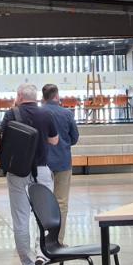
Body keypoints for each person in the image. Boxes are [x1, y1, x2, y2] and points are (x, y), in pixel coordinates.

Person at [0, 83, 60, 265]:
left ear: (19, 96)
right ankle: (42, 255)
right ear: (36, 97)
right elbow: (54, 140)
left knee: (21, 218)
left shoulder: (11, 114)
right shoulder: (46, 114)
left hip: (18, 172)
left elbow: (1, 143)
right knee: (43, 217)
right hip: (41, 171)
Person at [41, 83, 78, 238]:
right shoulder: (67, 114)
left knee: (43, 202)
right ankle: (58, 240)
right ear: (57, 96)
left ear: (43, 97)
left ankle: (43, 240)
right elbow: (74, 138)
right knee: (61, 202)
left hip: (42, 163)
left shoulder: (39, 113)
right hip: (63, 162)